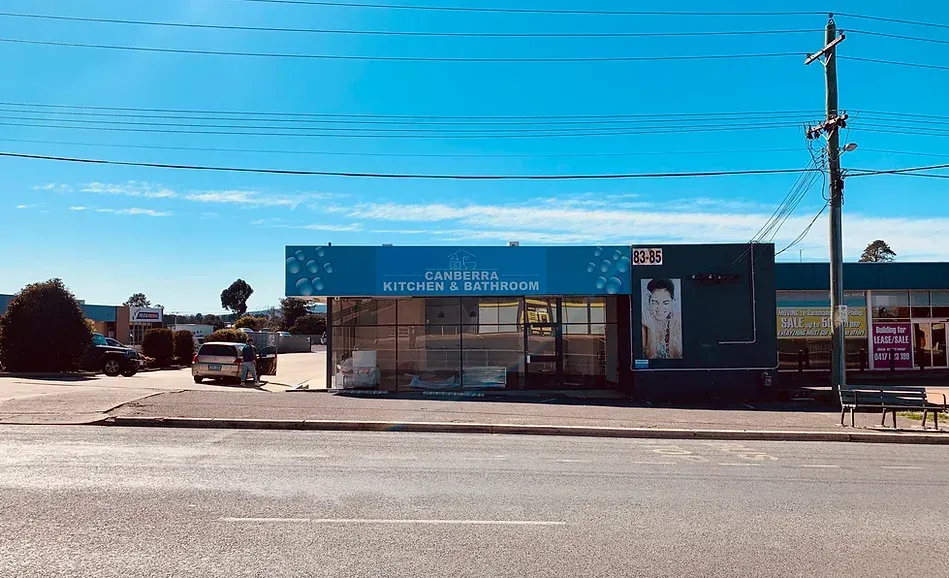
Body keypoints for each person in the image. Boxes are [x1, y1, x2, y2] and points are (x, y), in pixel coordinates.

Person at [642, 278, 683, 359]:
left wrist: (672, 327)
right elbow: (651, 357)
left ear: (673, 302)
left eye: (665, 303)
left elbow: (675, 356)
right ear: (649, 301)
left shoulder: (678, 321)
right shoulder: (644, 323)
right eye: (655, 302)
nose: (660, 308)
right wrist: (652, 329)